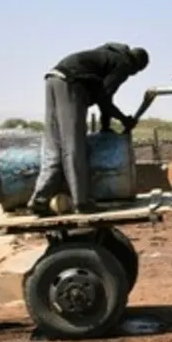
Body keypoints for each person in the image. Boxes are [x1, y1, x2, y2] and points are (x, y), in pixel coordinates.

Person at [28, 43, 150, 216]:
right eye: (136, 71)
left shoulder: (108, 54)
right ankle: (82, 202)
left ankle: (39, 200)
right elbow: (104, 98)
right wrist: (124, 120)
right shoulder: (123, 64)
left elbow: (105, 97)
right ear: (136, 65)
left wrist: (106, 126)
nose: (132, 74)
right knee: (74, 146)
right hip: (72, 84)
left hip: (53, 79)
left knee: (54, 146)